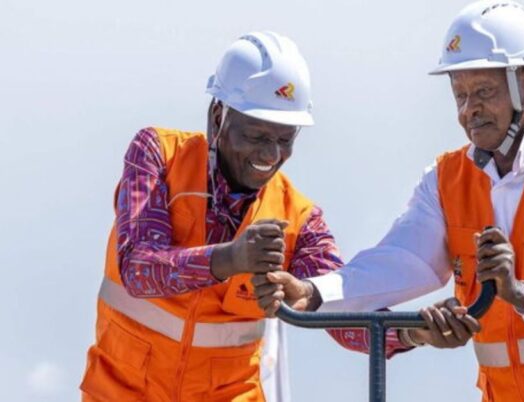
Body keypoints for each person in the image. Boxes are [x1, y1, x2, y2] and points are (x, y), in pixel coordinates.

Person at [255, 2, 524, 401]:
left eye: (483, 91)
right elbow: (399, 262)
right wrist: (313, 291)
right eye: (460, 94)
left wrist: (519, 293)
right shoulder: (446, 180)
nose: (468, 110)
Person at [80, 31, 410, 402]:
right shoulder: (159, 155)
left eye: (285, 139)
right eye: (256, 136)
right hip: (124, 392)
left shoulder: (298, 218)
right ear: (217, 117)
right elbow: (139, 269)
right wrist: (231, 258)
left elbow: (340, 310)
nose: (271, 155)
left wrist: (413, 331)